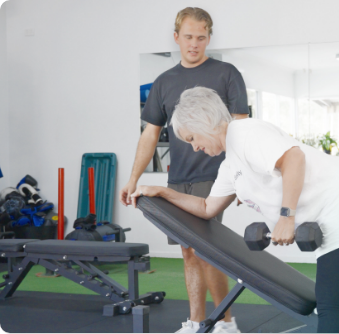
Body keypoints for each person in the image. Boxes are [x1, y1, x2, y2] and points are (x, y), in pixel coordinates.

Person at [129, 87, 339, 333]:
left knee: (330, 307)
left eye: (191, 138)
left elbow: (293, 158)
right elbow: (205, 207)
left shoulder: (246, 133)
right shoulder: (231, 164)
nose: (194, 147)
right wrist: (162, 191)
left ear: (204, 120)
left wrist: (286, 215)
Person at [119, 8, 248, 333]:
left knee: (206, 253)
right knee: (188, 253)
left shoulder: (227, 73)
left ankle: (225, 323)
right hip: (177, 178)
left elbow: (242, 128)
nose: (194, 44)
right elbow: (150, 134)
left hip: (215, 176)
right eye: (188, 37)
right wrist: (133, 179)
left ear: (209, 38)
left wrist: (243, 179)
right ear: (176, 37)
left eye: (201, 37)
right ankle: (194, 322)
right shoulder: (164, 82)